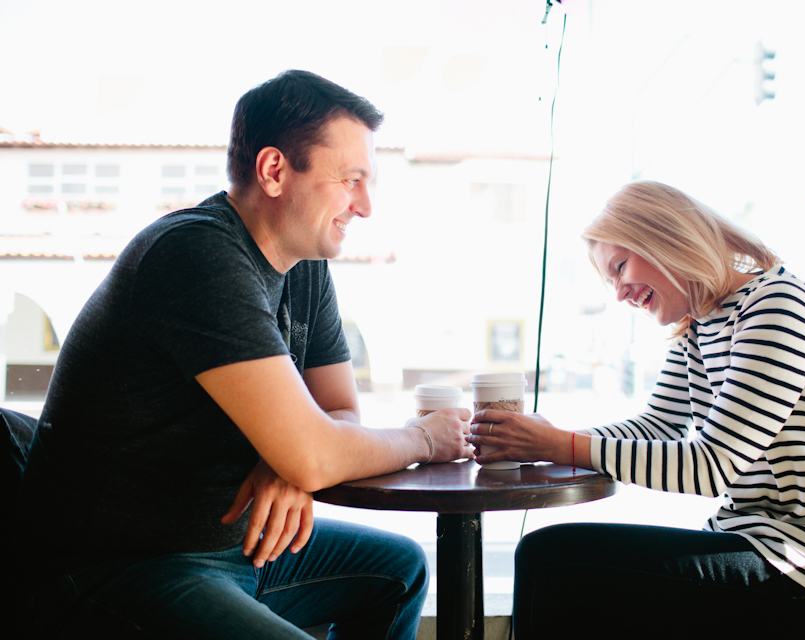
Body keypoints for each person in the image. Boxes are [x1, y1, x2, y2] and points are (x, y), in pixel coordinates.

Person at [15, 70, 473, 639]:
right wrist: (423, 438)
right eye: (351, 180)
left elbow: (336, 411)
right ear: (274, 171)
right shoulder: (196, 256)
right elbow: (317, 450)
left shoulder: (304, 266)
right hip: (115, 568)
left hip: (230, 545)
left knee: (397, 569)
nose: (366, 206)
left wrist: (292, 458)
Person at [468, 181, 805, 640]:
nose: (619, 293)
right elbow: (658, 425)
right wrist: (546, 441)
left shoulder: (776, 306)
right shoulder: (701, 323)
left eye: (620, 267)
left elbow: (713, 467)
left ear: (663, 235)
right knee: (570, 571)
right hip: (759, 545)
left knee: (550, 559)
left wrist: (558, 445)